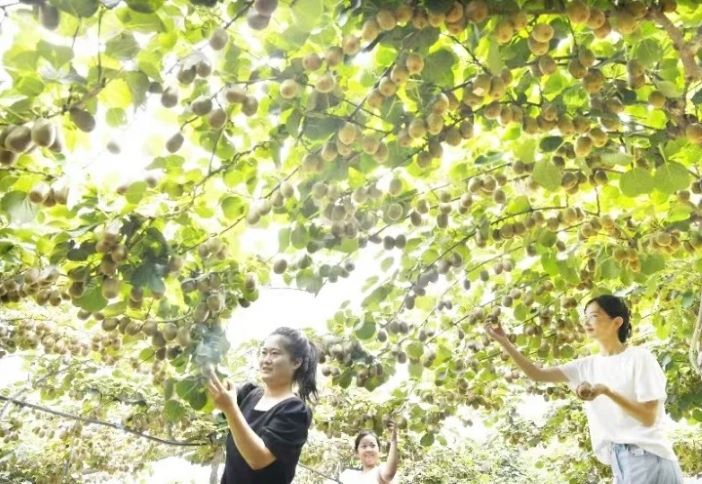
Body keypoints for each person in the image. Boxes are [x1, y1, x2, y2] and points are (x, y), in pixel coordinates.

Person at [485, 294, 683, 484]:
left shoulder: (639, 358)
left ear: (617, 322)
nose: (586, 322)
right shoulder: (586, 366)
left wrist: (607, 392)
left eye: (594, 316)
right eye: (585, 317)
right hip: (627, 459)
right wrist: (504, 341)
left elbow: (648, 417)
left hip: (644, 457)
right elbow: (537, 374)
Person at [207, 326, 318, 484]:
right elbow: (215, 392)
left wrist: (230, 409)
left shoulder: (295, 411)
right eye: (264, 352)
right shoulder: (249, 394)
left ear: (296, 362)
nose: (266, 359)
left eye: (275, 353)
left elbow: (258, 459)